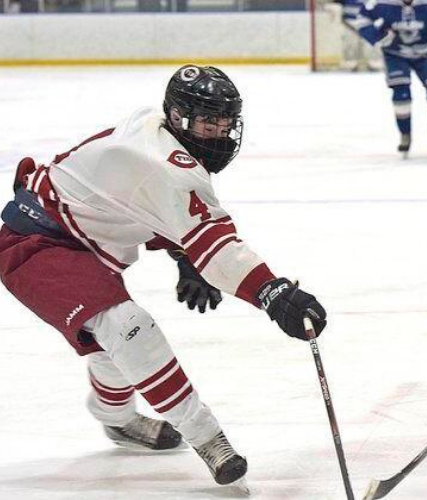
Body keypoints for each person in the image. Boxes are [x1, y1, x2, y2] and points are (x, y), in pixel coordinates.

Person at [0, 65, 327, 489]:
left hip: (83, 236)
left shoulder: (151, 127)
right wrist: (271, 291)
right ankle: (211, 441)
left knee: (109, 346)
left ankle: (114, 418)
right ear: (177, 119)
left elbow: (136, 202)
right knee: (129, 328)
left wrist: (183, 257)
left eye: (227, 123)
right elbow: (213, 242)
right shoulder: (164, 164)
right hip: (36, 243)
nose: (221, 134)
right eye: (210, 123)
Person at [353, 0, 427, 155]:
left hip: (425, 54)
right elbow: (362, 20)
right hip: (395, 54)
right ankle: (405, 134)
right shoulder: (380, 2)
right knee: (401, 91)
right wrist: (380, 37)